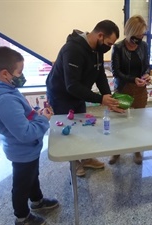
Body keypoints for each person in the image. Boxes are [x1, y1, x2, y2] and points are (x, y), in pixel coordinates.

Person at [0, 46, 58, 225]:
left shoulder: (7, 89)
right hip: (22, 150)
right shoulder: (5, 100)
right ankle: (22, 217)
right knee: (21, 184)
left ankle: (37, 201)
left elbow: (22, 114)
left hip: (27, 149)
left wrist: (36, 113)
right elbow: (25, 133)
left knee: (32, 175)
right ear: (5, 73)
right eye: (19, 72)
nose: (21, 76)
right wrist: (43, 120)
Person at [46, 20, 122, 177]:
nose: (109, 47)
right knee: (68, 130)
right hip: (61, 95)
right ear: (100, 35)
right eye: (109, 43)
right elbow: (71, 86)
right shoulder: (72, 49)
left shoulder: (97, 49)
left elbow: (99, 73)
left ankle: (86, 158)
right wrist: (101, 99)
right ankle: (74, 163)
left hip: (78, 93)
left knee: (82, 127)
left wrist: (107, 97)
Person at [108, 15, 151, 165]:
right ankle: (116, 151)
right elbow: (116, 71)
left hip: (140, 88)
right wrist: (133, 79)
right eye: (138, 34)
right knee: (119, 121)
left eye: (143, 34)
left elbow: (146, 65)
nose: (141, 37)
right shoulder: (118, 47)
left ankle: (137, 149)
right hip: (123, 87)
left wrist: (146, 74)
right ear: (130, 32)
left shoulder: (144, 46)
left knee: (138, 120)